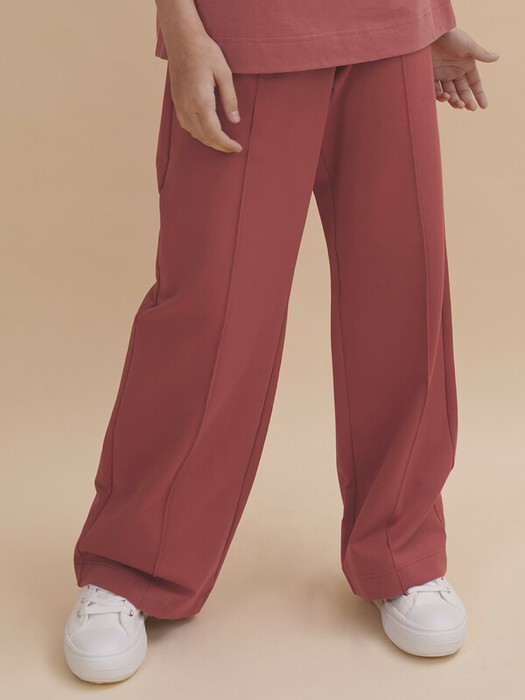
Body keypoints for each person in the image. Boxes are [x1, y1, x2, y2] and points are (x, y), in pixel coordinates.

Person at [63, 0, 499, 683]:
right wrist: (182, 29)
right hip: (244, 32)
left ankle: (402, 551)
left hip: (391, 30)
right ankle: (131, 565)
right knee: (211, 311)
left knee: (402, 300)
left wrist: (430, 19)